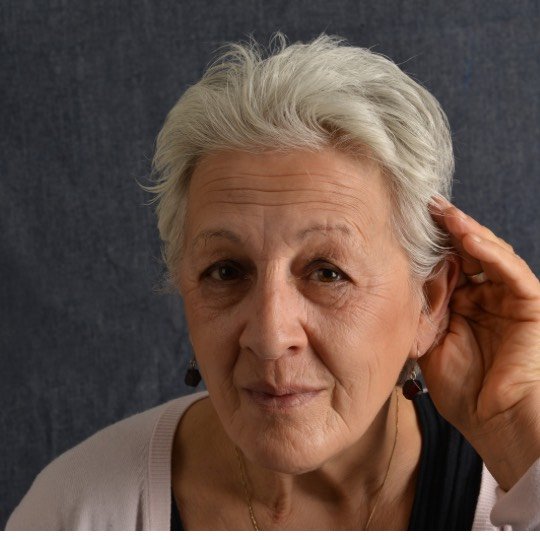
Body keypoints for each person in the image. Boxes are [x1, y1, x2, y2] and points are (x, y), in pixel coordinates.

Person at [7, 33, 540, 531]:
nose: (269, 335)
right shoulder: (80, 510)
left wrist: (518, 433)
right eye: (226, 271)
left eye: (327, 273)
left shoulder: (515, 485)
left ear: (429, 301)